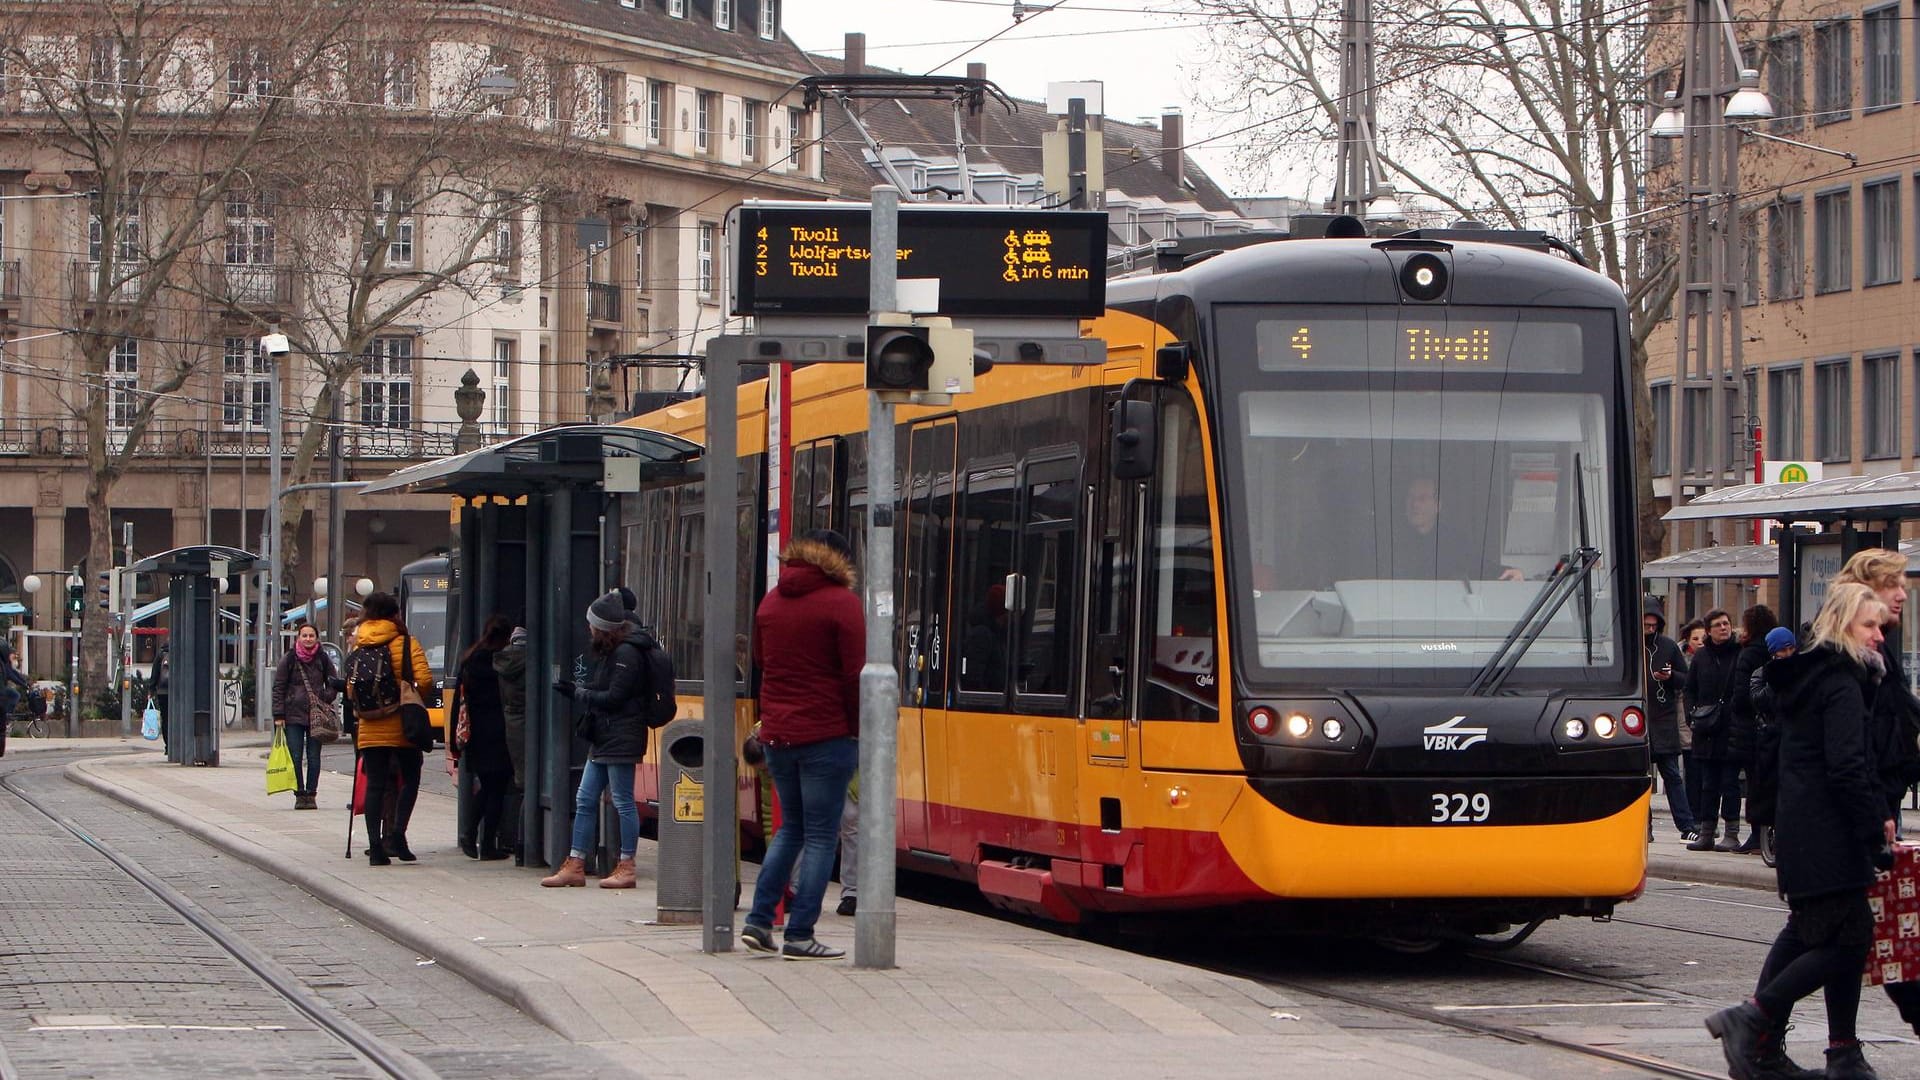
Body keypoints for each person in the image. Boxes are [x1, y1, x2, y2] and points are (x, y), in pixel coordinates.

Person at [1706, 582, 1895, 1080]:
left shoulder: (1814, 677)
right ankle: (1754, 1019)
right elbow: (1847, 765)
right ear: (1844, 625)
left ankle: (1799, 1045)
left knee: (1813, 934)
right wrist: (1874, 832)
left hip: (1805, 830)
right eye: (1870, 625)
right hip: (1827, 834)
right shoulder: (1840, 683)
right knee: (1848, 938)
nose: (1880, 635)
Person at [742, 528, 863, 961]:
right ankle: (799, 933)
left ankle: (758, 921)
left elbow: (760, 663)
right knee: (819, 836)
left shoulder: (771, 602)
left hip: (777, 735)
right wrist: (858, 728)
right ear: (838, 561)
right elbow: (854, 676)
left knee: (789, 828)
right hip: (826, 737)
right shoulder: (842, 605)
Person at [542, 591, 656, 889]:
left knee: (622, 801)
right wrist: (579, 688)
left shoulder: (627, 654)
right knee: (585, 799)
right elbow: (606, 688)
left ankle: (627, 865)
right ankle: (576, 863)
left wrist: (580, 694)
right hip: (605, 737)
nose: (589, 630)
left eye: (592, 625)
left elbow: (615, 697)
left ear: (603, 628)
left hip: (621, 736)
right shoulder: (613, 653)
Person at [1834, 548, 1920, 823]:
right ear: (1863, 590)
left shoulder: (1878, 652)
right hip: (1860, 814)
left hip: (1879, 801)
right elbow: (1850, 752)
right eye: (1891, 584)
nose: (1902, 595)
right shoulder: (1843, 658)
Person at [351, 592, 437, 867]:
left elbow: (351, 687)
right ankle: (398, 834)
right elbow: (424, 680)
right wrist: (405, 692)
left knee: (375, 785)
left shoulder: (358, 644)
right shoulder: (407, 642)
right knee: (410, 780)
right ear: (394, 614)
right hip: (403, 726)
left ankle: (375, 848)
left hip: (370, 726)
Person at [454, 615, 515, 860]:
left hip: (477, 732)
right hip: (498, 732)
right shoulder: (500, 663)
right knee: (496, 790)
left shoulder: (470, 659)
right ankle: (484, 842)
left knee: (488, 787)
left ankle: (471, 835)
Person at [1388, 477, 1525, 582]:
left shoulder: (1454, 542)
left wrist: (1511, 572)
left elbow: (1480, 568)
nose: (1415, 504)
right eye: (1411, 497)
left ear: (1437, 506)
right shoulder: (1390, 541)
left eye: (1422, 498)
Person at [1685, 610, 1743, 852]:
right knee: (1708, 783)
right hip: (1706, 729)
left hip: (1731, 728)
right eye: (1718, 625)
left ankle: (1731, 832)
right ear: (1708, 631)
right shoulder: (1702, 657)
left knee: (1730, 783)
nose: (1724, 628)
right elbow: (1690, 689)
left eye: (1727, 623)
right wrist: (1692, 715)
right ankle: (1706, 832)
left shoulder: (1739, 653)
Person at [1725, 605, 1779, 854]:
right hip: (1771, 725)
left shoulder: (1747, 654)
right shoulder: (1771, 651)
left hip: (1748, 727)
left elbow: (1740, 695)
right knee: (1764, 779)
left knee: (1753, 782)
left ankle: (1757, 834)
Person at [272, 622, 343, 810]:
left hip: (316, 715)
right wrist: (278, 714)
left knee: (314, 756)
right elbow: (279, 687)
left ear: (317, 638)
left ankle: (311, 793)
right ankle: (299, 793)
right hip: (293, 715)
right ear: (298, 638)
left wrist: (324, 697)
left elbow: (333, 683)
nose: (308, 639)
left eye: (311, 636)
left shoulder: (323, 659)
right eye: (304, 636)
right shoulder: (289, 659)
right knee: (295, 756)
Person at [1644, 598, 1697, 842]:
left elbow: (1685, 679)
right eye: (1646, 625)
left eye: (1653, 626)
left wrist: (1669, 676)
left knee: (1672, 776)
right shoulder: (1629, 645)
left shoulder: (1667, 646)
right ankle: (1645, 827)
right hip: (1640, 718)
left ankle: (1686, 825)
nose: (1650, 630)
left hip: (1663, 718)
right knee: (1642, 780)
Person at [493, 625, 529, 858]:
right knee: (528, 785)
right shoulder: (530, 659)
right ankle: (523, 841)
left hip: (510, 721)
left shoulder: (503, 660)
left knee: (517, 783)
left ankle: (509, 838)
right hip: (529, 722)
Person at [151, 644, 170, 746]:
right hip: (177, 693)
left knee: (165, 718)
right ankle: (176, 743)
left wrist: (151, 689)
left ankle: (168, 745)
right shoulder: (180, 652)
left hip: (162, 691)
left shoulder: (160, 654)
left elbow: (155, 673)